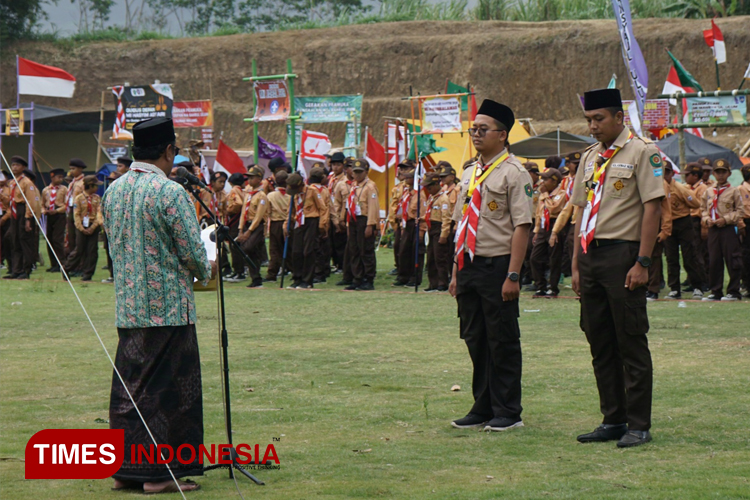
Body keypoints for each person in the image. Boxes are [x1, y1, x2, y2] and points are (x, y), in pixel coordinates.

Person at [102, 117, 214, 494]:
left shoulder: (113, 191)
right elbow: (193, 252)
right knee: (169, 394)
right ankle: (159, 475)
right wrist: (206, 268)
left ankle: (125, 471)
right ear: (168, 151)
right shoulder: (170, 193)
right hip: (168, 308)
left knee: (130, 391)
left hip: (129, 307)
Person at [571, 88, 664, 448]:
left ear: (619, 117)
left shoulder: (643, 152)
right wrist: (576, 264)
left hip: (623, 255)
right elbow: (581, 209)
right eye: (589, 120)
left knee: (630, 340)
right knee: (600, 341)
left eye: (599, 119)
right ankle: (613, 418)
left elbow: (652, 208)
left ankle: (638, 424)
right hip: (590, 254)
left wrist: (643, 261)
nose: (593, 126)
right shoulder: (590, 157)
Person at [449, 99, 533, 432]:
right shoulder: (470, 171)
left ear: (502, 135)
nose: (476, 134)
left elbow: (522, 226)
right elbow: (460, 224)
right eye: (474, 129)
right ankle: (482, 406)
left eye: (483, 129)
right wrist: (457, 272)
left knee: (502, 339)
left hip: (498, 266)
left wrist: (513, 274)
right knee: (475, 338)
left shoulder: (515, 172)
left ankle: (508, 411)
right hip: (469, 265)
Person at [700, 159, 745, 301]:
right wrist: (707, 219)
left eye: (723, 172)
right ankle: (715, 291)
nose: (720, 175)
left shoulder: (734, 191)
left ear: (729, 173)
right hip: (713, 230)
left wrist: (725, 219)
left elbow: (740, 211)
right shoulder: (708, 192)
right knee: (714, 261)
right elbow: (702, 209)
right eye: (718, 172)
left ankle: (733, 291)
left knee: (733, 260)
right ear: (713, 174)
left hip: (728, 230)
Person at [663, 163, 705, 300]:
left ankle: (697, 286)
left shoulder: (680, 188)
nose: (665, 175)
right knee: (671, 257)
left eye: (667, 172)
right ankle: (674, 289)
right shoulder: (660, 187)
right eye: (662, 172)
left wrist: (683, 205)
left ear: (671, 173)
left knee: (689, 256)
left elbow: (696, 203)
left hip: (683, 222)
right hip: (668, 224)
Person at [286, 171, 329, 289]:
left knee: (308, 251)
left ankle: (307, 280)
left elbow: (323, 208)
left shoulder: (312, 191)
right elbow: (291, 211)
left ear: (301, 185)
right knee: (296, 251)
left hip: (311, 221)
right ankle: (297, 278)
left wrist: (322, 224)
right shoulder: (294, 194)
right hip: (299, 222)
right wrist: (286, 224)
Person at [344, 159, 379, 291]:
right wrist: (348, 224)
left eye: (360, 172)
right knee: (354, 249)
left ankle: (368, 279)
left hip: (364, 220)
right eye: (355, 172)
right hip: (353, 219)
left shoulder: (370, 186)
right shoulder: (354, 185)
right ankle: (357, 277)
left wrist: (370, 225)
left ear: (366, 171)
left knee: (366, 250)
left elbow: (373, 207)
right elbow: (349, 206)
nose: (357, 175)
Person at [530, 167, 566, 297]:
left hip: (554, 226)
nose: (542, 182)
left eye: (545, 179)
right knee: (535, 258)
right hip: (543, 227)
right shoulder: (543, 195)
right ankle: (540, 286)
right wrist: (536, 231)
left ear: (554, 181)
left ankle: (553, 287)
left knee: (554, 258)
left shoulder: (561, 194)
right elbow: (540, 213)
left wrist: (544, 196)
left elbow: (553, 208)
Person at [3, 156, 41, 280]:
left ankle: (26, 269)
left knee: (25, 241)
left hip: (23, 211)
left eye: (17, 165)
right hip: (14, 211)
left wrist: (28, 219)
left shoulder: (26, 183)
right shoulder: (13, 183)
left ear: (23, 168)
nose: (14, 167)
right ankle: (16, 269)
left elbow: (30, 202)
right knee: (14, 241)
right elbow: (10, 200)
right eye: (13, 165)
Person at [64, 175, 103, 282]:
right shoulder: (79, 198)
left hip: (92, 226)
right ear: (90, 186)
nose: (97, 188)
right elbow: (76, 215)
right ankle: (67, 268)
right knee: (79, 250)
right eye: (96, 186)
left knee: (92, 251)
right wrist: (81, 228)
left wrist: (93, 227)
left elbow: (98, 213)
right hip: (81, 226)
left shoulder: (97, 198)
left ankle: (88, 274)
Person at [393, 163, 427, 287]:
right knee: (404, 251)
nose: (406, 179)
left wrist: (422, 230)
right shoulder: (407, 193)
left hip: (416, 224)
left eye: (409, 177)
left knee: (416, 252)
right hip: (406, 223)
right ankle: (404, 276)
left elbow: (422, 214)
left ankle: (415, 278)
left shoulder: (420, 194)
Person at [645, 163, 673, 301]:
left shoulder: (661, 184)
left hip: (655, 224)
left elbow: (666, 209)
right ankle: (644, 287)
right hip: (640, 224)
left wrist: (665, 230)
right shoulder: (642, 180)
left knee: (654, 258)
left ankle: (653, 289)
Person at [237, 166, 268, 288]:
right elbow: (243, 212)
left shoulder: (262, 196)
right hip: (247, 224)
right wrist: (241, 229)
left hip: (257, 226)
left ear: (259, 178)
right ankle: (255, 278)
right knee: (251, 252)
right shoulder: (249, 194)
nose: (249, 180)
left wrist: (248, 232)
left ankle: (256, 275)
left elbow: (259, 216)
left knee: (248, 248)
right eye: (248, 178)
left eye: (252, 177)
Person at [423, 172, 451, 292]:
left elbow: (446, 218)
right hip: (431, 228)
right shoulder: (432, 197)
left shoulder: (443, 199)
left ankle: (442, 283)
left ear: (436, 184)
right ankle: (432, 283)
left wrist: (444, 235)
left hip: (439, 228)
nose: (428, 189)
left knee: (440, 257)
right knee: (430, 257)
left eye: (429, 187)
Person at [685, 162, 710, 286]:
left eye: (687, 175)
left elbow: (703, 208)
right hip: (689, 221)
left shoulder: (703, 188)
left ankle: (704, 281)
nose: (685, 178)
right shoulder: (687, 187)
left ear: (695, 176)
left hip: (698, 221)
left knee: (699, 252)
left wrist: (704, 227)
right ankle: (693, 280)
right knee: (691, 252)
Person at [265, 170, 291, 282]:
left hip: (276, 223)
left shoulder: (271, 195)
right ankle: (292, 270)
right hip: (288, 223)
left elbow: (267, 211)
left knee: (274, 249)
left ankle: (272, 274)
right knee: (289, 248)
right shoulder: (291, 195)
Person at [334, 158, 356, 286]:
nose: (351, 170)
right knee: (345, 249)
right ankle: (346, 275)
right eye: (349, 167)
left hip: (357, 219)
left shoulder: (364, 185)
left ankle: (359, 275)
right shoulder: (341, 184)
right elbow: (336, 203)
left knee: (356, 248)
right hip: (345, 217)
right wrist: (338, 219)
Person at [41, 168, 68, 273]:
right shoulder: (45, 190)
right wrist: (44, 211)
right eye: (58, 177)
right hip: (49, 215)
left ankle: (61, 263)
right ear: (52, 177)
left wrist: (57, 211)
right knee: (50, 239)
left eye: (62, 177)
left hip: (59, 215)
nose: (61, 179)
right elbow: (42, 204)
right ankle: (53, 263)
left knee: (57, 239)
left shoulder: (64, 189)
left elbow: (66, 205)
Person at [309, 165, 332, 284]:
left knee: (315, 248)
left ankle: (317, 273)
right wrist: (325, 223)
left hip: (312, 222)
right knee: (324, 248)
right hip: (325, 220)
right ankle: (324, 270)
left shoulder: (309, 190)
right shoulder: (325, 190)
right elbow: (327, 207)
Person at [387, 162, 410, 277]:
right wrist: (393, 221)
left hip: (409, 220)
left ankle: (407, 269)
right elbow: (393, 205)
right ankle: (399, 266)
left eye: (406, 168)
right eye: (401, 169)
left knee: (406, 247)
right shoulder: (398, 187)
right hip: (398, 221)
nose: (402, 171)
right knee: (397, 245)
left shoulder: (414, 187)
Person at [225, 172, 248, 282]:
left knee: (234, 246)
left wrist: (229, 210)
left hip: (235, 219)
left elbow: (238, 203)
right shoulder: (242, 191)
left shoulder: (234, 190)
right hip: (241, 219)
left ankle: (238, 271)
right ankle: (240, 270)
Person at [327, 152, 348, 273]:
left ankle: (341, 264)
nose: (335, 167)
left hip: (338, 212)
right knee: (332, 241)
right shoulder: (331, 178)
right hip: (330, 211)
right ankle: (335, 263)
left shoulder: (344, 180)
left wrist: (340, 218)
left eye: (338, 164)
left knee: (340, 241)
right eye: (333, 164)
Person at [521, 162, 541, 288]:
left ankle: (536, 277)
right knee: (526, 249)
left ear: (534, 173)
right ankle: (528, 275)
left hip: (539, 221)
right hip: (527, 220)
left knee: (533, 250)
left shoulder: (542, 186)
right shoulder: (527, 186)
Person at [64, 158, 86, 269]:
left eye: (74, 169)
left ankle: (81, 265)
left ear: (80, 169)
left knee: (79, 239)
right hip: (71, 210)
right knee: (71, 238)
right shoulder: (72, 182)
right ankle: (74, 265)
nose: (71, 171)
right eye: (70, 169)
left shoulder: (83, 182)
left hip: (80, 211)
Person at [740, 165, 750, 297]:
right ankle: (747, 285)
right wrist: (740, 224)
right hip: (747, 223)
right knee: (746, 256)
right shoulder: (741, 189)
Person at [0, 172, 12, 270]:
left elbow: (10, 205)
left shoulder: (9, 189)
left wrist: (4, 218)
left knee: (6, 239)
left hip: (5, 216)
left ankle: (6, 261)